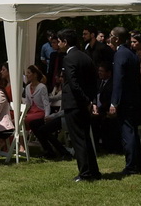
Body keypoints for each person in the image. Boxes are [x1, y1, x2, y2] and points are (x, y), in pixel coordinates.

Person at [60, 28, 101, 182]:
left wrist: (86, 100)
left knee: (78, 139)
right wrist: (91, 101)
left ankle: (85, 173)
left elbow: (74, 84)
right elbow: (93, 82)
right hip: (84, 103)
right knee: (86, 138)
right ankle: (94, 170)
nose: (58, 44)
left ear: (65, 42)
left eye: (59, 41)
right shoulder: (85, 57)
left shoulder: (69, 58)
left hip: (75, 103)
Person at [109, 27, 141, 176]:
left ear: (117, 39)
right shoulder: (131, 53)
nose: (109, 38)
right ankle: (138, 163)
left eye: (111, 36)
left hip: (125, 100)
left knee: (127, 133)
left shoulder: (120, 54)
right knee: (133, 132)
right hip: (134, 98)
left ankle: (131, 166)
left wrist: (114, 102)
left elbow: (118, 79)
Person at [23, 64, 70, 161]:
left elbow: (67, 109)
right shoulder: (64, 88)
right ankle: (50, 151)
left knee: (42, 129)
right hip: (58, 116)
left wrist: (51, 116)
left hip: (66, 118)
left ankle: (62, 152)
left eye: (61, 76)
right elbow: (55, 98)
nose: (59, 78)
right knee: (34, 124)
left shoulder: (69, 89)